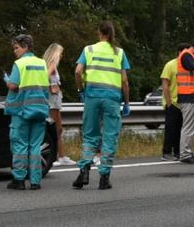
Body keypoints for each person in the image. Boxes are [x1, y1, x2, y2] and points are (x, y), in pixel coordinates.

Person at [73, 20, 131, 190]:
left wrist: (80, 90)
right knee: (109, 136)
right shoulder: (119, 53)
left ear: (99, 32)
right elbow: (125, 81)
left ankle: (84, 171)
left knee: (90, 135)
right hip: (112, 99)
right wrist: (126, 102)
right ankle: (104, 177)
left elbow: (77, 71)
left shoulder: (88, 49)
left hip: (92, 96)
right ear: (112, 33)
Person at [4, 34, 50, 190]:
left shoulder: (20, 64)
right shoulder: (42, 63)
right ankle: (35, 181)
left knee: (20, 145)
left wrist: (7, 80)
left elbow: (13, 86)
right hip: (40, 110)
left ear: (25, 47)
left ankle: (19, 179)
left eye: (16, 48)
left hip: (22, 111)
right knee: (35, 146)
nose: (15, 51)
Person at [43, 43, 74, 165]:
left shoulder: (48, 64)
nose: (61, 55)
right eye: (60, 53)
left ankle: (61, 156)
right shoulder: (52, 64)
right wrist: (52, 87)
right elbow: (44, 77)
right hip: (53, 100)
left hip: (54, 99)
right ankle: (56, 156)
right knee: (56, 128)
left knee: (58, 129)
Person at [159, 46, 185, 161]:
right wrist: (168, 102)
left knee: (180, 129)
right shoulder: (170, 65)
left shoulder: (187, 65)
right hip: (172, 102)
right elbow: (165, 84)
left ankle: (177, 152)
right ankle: (166, 152)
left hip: (183, 103)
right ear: (179, 52)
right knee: (171, 129)